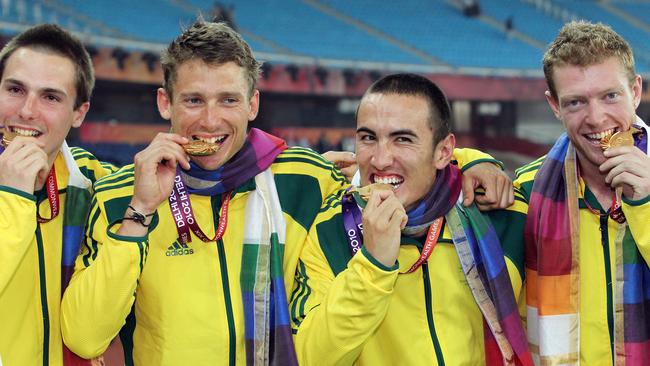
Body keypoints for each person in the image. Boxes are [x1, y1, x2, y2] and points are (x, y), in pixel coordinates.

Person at [61, 21, 513, 365]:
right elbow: (83, 336)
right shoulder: (121, 194)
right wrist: (140, 212)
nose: (211, 120)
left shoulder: (303, 178)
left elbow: (394, 171)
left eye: (229, 100)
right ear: (166, 103)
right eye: (194, 100)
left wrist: (470, 162)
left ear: (254, 104)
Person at [290, 73, 532, 365]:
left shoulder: (501, 214)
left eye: (402, 139)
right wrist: (373, 266)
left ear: (444, 151)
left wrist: (474, 159)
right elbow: (306, 357)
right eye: (368, 138)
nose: (380, 160)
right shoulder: (327, 229)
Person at [514, 21, 650, 364]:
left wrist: (646, 203)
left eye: (610, 96)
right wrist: (471, 163)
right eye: (575, 102)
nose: (596, 117)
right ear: (554, 105)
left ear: (636, 90)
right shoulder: (526, 193)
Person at [0, 24, 116, 366]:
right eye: (15, 89)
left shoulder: (97, 186)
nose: (27, 111)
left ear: (79, 113)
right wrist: (12, 195)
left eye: (50, 97)